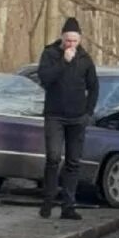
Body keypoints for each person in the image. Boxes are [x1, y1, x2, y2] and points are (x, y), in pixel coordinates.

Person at [37, 16, 99, 220]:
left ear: (80, 39)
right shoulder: (50, 54)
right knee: (53, 158)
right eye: (68, 40)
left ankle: (68, 205)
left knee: (73, 162)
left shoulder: (85, 59)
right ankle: (47, 201)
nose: (71, 44)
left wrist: (88, 112)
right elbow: (45, 79)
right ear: (62, 38)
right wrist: (64, 61)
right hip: (54, 115)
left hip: (77, 117)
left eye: (74, 40)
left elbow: (94, 87)